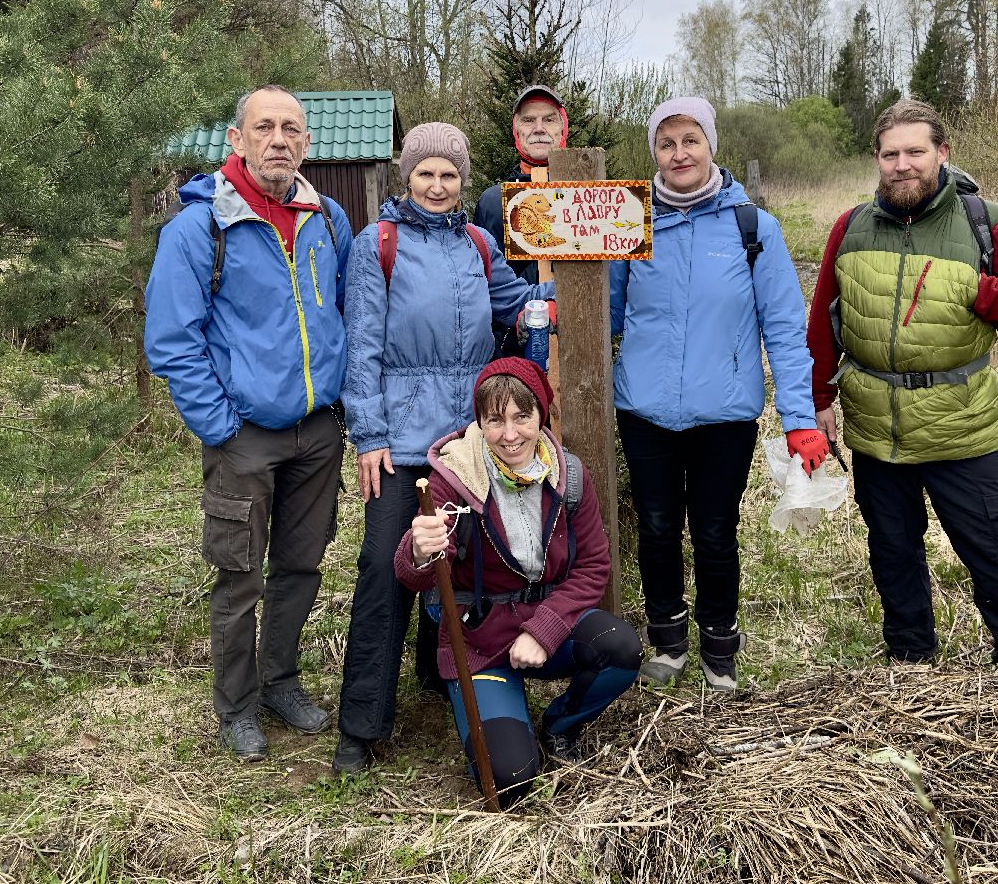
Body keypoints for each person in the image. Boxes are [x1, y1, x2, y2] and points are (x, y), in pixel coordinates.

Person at [333, 123, 554, 775]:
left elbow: (515, 306)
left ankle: (439, 672)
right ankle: (361, 722)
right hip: (400, 439)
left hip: (469, 438)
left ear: (462, 182)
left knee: (462, 560)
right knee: (384, 567)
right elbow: (362, 344)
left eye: (449, 175)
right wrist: (368, 434)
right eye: (426, 173)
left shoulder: (478, 244)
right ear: (408, 176)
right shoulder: (379, 244)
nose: (437, 185)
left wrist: (574, 283)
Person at [806, 99, 998, 667]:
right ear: (876, 160)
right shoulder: (850, 227)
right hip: (875, 425)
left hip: (960, 421)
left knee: (995, 544)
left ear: (942, 153)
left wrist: (981, 293)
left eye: (916, 152)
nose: (903, 165)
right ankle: (911, 658)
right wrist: (819, 400)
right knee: (892, 548)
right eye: (891, 154)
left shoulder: (983, 221)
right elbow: (822, 321)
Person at [145, 85, 352, 762]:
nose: (278, 140)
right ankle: (235, 707)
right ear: (236, 141)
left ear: (307, 144)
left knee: (300, 566)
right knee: (238, 576)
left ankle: (280, 682)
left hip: (318, 431)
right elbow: (173, 340)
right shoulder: (197, 229)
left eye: (291, 129)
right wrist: (222, 427)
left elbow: (349, 312)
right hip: (244, 435)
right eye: (264, 127)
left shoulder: (328, 220)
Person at [609, 95, 829, 691]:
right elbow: (603, 312)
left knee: (713, 529)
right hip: (644, 408)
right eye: (666, 142)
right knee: (656, 526)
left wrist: (799, 418)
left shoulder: (752, 227)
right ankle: (667, 641)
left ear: (711, 145)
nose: (679, 154)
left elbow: (784, 328)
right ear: (653, 150)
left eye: (690, 141)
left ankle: (719, 649)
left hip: (724, 412)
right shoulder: (631, 220)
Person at [395, 358, 641, 802]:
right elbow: (423, 573)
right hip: (480, 644)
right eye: (495, 420)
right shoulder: (453, 480)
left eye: (521, 417)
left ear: (540, 415)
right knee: (512, 779)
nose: (510, 435)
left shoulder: (568, 476)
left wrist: (543, 632)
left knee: (620, 648)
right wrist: (417, 550)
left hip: (547, 627)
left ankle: (559, 725)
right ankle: (506, 723)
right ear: (480, 422)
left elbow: (592, 569)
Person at [473, 85, 568, 354]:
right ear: (517, 132)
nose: (539, 128)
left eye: (549, 119)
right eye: (528, 120)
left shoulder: (589, 195)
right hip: (513, 345)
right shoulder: (493, 201)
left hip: (580, 343)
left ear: (563, 129)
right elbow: (483, 285)